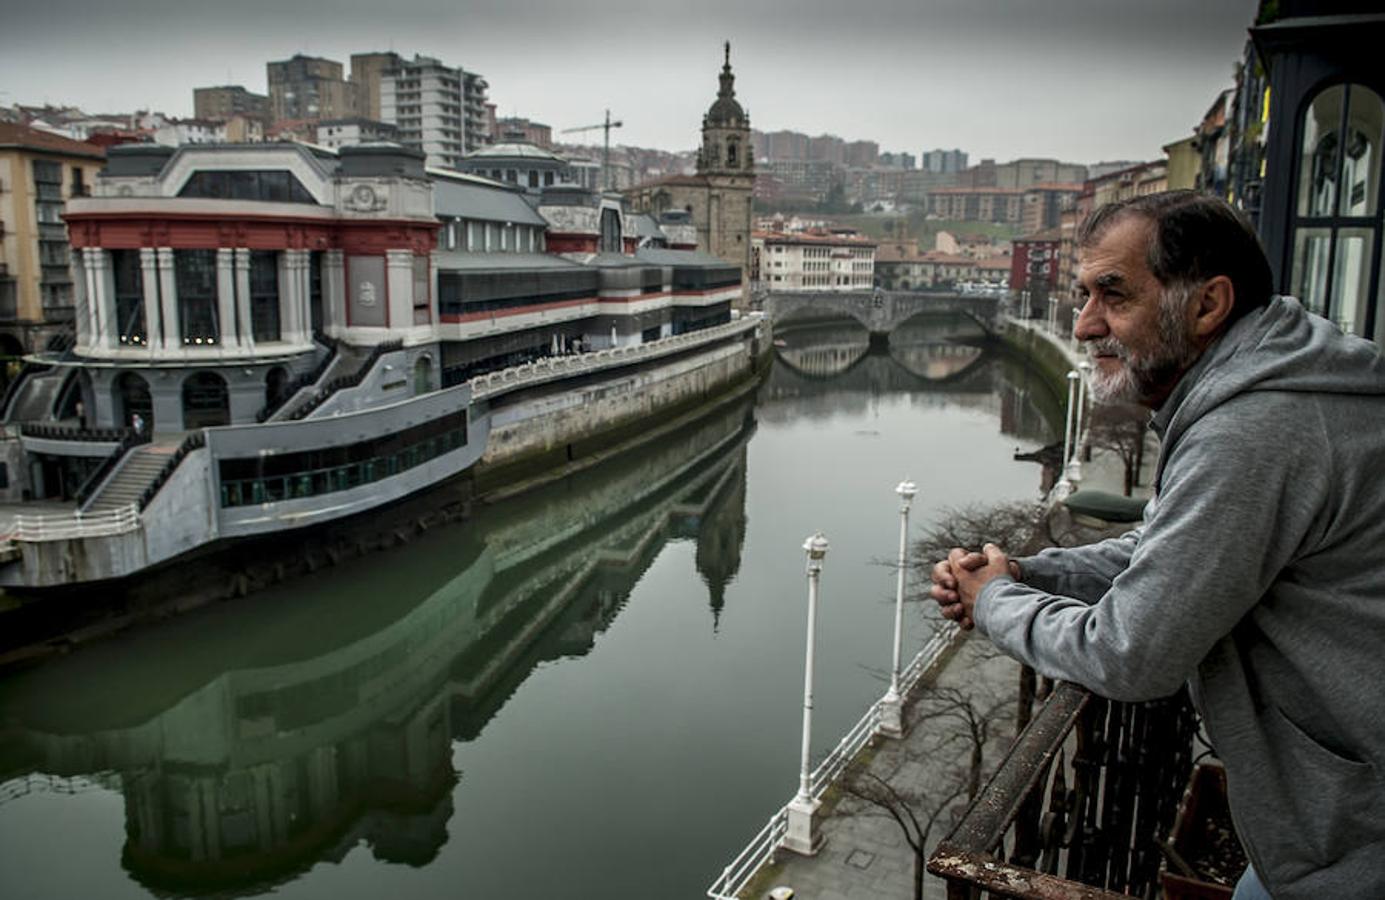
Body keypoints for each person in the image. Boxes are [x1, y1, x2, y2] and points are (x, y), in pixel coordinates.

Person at [929, 191, 1385, 900]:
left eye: (1112, 296)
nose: (1083, 326)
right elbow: (1167, 548)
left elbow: (1128, 655)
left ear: (1206, 305)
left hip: (1354, 842)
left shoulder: (1256, 429)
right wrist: (1027, 572)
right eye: (1082, 295)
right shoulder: (1274, 384)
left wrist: (993, 605)